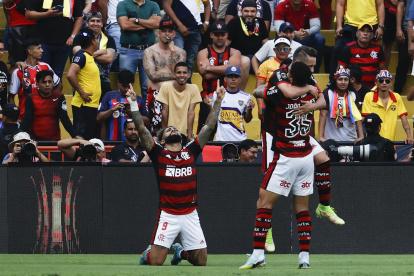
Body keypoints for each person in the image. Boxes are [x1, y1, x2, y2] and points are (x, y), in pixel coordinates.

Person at [126, 75, 225, 266]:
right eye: (168, 130)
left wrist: (218, 101)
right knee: (155, 262)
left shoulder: (191, 151)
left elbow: (209, 126)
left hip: (190, 212)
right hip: (168, 213)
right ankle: (149, 252)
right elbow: (141, 128)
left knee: (201, 261)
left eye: (173, 129)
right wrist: (133, 104)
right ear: (162, 141)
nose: (171, 129)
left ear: (180, 136)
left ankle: (181, 253)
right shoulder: (158, 154)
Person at [256, 46, 346, 253]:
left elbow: (324, 100)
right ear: (296, 63)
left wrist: (310, 106)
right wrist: (307, 91)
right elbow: (287, 91)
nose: (312, 72)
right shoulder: (281, 73)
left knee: (323, 158)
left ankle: (324, 206)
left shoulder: (307, 77)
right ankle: (266, 230)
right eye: (310, 66)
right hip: (274, 133)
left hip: (298, 132)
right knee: (266, 190)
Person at [240, 62, 317, 270]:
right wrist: (308, 87)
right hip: (306, 156)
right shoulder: (313, 93)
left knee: (263, 203)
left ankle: (257, 253)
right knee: (302, 208)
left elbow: (258, 91)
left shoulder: (279, 93)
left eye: (288, 73)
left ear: (291, 77)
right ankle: (304, 256)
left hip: (286, 157)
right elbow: (319, 94)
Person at [143, 16, 186, 135]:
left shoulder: (180, 52)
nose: (167, 34)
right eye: (164, 30)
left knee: (176, 130)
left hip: (175, 95)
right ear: (158, 32)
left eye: (170, 30)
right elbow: (153, 76)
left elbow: (181, 75)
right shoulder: (149, 52)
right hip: (156, 95)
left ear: (174, 33)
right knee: (157, 132)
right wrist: (174, 75)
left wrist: (172, 54)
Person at [197, 20, 241, 131]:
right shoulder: (203, 52)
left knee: (228, 132)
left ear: (227, 35)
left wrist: (209, 68)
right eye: (216, 34)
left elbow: (232, 70)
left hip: (229, 98)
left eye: (222, 34)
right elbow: (204, 74)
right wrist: (225, 70)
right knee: (205, 133)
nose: (220, 37)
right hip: (208, 97)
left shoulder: (234, 52)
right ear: (211, 35)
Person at [24, 0, 85, 78]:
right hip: (42, 43)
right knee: (42, 74)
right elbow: (28, 14)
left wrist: (72, 36)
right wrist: (46, 14)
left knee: (58, 75)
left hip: (65, 43)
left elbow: (79, 17)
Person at [117, 0, 161, 101]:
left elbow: (157, 23)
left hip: (148, 50)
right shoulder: (123, 4)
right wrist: (148, 24)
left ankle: (148, 114)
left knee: (148, 87)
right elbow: (124, 25)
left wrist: (136, 20)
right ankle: (125, 113)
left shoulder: (153, 4)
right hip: (128, 50)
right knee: (125, 84)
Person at [331, 0, 384, 78]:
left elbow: (380, 4)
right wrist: (339, 26)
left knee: (374, 55)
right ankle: (333, 82)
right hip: (350, 24)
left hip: (371, 24)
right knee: (338, 49)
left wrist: (381, 26)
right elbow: (340, 4)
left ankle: (374, 82)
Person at [9, 41, 61, 120]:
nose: (42, 51)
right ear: (29, 51)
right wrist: (15, 115)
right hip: (25, 117)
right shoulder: (18, 71)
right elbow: (11, 97)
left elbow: (58, 84)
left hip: (44, 115)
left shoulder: (45, 66)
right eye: (39, 48)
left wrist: (53, 100)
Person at [21, 70, 75, 141]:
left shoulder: (59, 97)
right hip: (35, 141)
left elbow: (64, 118)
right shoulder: (30, 98)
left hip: (54, 141)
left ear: (53, 83)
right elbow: (27, 119)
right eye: (44, 82)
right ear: (37, 84)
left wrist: (75, 136)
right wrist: (20, 134)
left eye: (50, 82)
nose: (47, 84)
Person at [362, 70, 413, 143]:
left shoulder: (397, 97)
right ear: (376, 83)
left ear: (391, 83)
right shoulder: (369, 96)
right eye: (381, 80)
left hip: (390, 142)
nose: (384, 83)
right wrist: (361, 136)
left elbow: (403, 118)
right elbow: (364, 119)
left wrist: (409, 136)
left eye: (387, 81)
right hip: (373, 142)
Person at [67, 28, 101, 140]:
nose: (98, 41)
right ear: (92, 41)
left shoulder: (88, 56)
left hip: (90, 105)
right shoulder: (81, 55)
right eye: (96, 38)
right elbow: (70, 74)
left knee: (88, 138)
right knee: (81, 139)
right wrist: (82, 93)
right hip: (83, 105)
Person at [274, 0, 325, 72]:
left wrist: (307, 32)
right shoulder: (281, 6)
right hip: (288, 37)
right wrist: (294, 33)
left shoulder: (310, 4)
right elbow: (279, 29)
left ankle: (314, 70)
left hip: (305, 36)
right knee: (282, 37)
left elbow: (316, 25)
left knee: (319, 39)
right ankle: (283, 68)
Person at [73, 11, 117, 95]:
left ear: (102, 24)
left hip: (103, 78)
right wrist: (102, 51)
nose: (95, 23)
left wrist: (88, 54)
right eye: (92, 21)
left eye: (98, 21)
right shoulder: (79, 37)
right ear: (87, 23)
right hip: (83, 79)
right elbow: (78, 53)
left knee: (105, 106)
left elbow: (109, 58)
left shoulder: (109, 39)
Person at [227, 0, 268, 89]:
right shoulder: (234, 22)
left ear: (256, 12)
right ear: (241, 11)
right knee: (246, 60)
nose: (249, 14)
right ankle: (239, 93)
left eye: (252, 11)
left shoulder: (260, 22)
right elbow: (227, 43)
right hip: (240, 60)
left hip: (256, 59)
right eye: (246, 11)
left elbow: (265, 42)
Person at [156, 62, 202, 139]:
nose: (182, 75)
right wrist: (164, 134)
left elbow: (191, 113)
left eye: (184, 72)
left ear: (189, 75)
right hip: (169, 133)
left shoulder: (194, 88)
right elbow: (165, 111)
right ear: (174, 74)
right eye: (179, 72)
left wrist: (190, 135)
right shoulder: (165, 86)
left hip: (185, 134)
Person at [163, 0, 211, 74]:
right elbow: (166, 5)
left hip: (195, 29)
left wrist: (206, 22)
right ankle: (177, 82)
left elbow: (207, 4)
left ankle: (188, 82)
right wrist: (179, 24)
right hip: (177, 29)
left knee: (190, 60)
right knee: (178, 57)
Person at [318, 67, 364, 143]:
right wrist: (321, 137)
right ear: (335, 80)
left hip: (351, 139)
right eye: (340, 79)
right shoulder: (328, 93)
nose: (343, 82)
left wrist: (361, 136)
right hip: (331, 140)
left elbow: (357, 116)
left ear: (349, 81)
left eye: (346, 79)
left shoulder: (353, 94)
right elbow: (323, 114)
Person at [97, 69, 144, 141]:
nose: (126, 89)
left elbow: (147, 121)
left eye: (128, 86)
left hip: (133, 143)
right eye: (124, 86)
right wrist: (112, 110)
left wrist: (132, 113)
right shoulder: (109, 96)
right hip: (112, 143)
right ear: (118, 83)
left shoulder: (138, 99)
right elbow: (99, 117)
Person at [338, 23, 385, 89]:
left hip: (373, 87)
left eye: (368, 31)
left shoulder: (378, 48)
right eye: (362, 31)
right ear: (357, 34)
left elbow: (382, 70)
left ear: (372, 35)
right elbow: (341, 70)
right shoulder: (348, 47)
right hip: (354, 87)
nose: (365, 33)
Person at [213, 65, 254, 141]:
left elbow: (247, 120)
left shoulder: (246, 97)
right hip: (221, 139)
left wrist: (249, 110)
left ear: (240, 79)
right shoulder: (217, 94)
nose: (233, 79)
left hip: (239, 139)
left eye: (236, 76)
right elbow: (212, 117)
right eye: (230, 76)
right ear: (225, 79)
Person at [3, 0, 37, 66]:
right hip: (18, 25)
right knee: (17, 62)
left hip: (35, 25)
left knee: (34, 60)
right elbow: (5, 2)